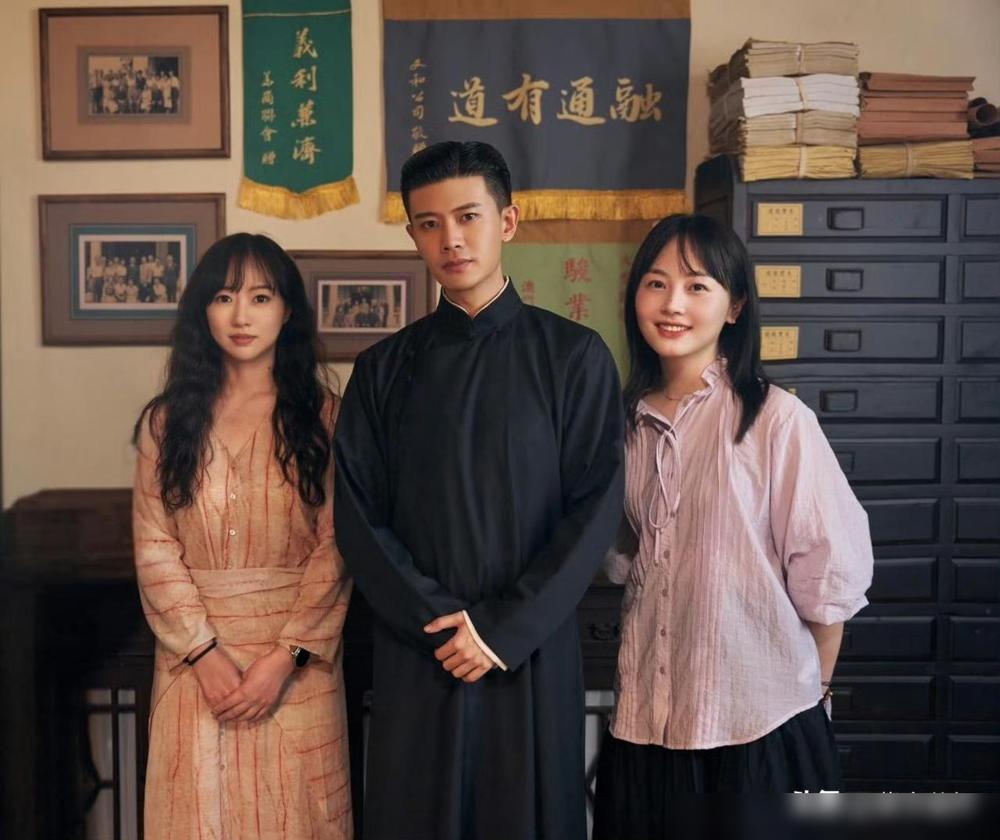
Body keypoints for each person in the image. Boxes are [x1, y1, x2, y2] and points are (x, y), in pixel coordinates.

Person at [333, 140, 625, 840]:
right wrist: (438, 623)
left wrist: (499, 631)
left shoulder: (574, 356)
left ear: (508, 221)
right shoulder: (382, 369)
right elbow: (357, 515)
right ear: (413, 235)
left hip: (527, 649)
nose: (452, 239)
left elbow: (595, 509)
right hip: (421, 650)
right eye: (429, 224)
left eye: (468, 217)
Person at [592, 215, 874, 835]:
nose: (672, 304)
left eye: (697, 286)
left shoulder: (777, 420)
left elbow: (828, 579)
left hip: (759, 724)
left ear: (735, 305)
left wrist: (816, 692)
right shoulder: (621, 425)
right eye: (656, 283)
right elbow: (622, 558)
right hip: (645, 725)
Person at [132, 233, 352, 840]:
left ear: (287, 311)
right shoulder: (166, 423)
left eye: (260, 297)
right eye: (224, 297)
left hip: (298, 669)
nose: (240, 316)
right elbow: (155, 546)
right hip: (192, 669)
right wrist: (202, 654)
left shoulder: (327, 419)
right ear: (202, 311)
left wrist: (285, 658)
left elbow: (338, 547)